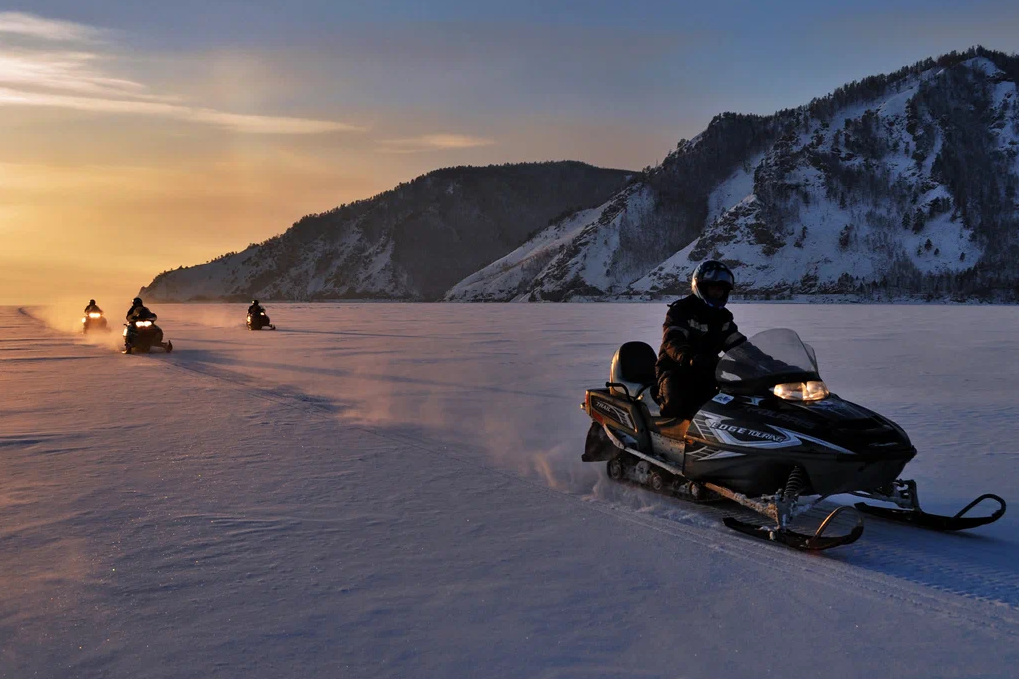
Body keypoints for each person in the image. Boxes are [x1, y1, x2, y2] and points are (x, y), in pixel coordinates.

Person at [655, 260, 745, 440]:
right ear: (700, 287)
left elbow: (737, 343)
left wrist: (765, 361)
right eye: (713, 288)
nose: (717, 292)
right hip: (676, 370)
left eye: (721, 288)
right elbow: (673, 339)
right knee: (677, 403)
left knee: (733, 405)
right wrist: (687, 356)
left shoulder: (723, 317)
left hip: (709, 371)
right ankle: (667, 445)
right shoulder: (681, 310)